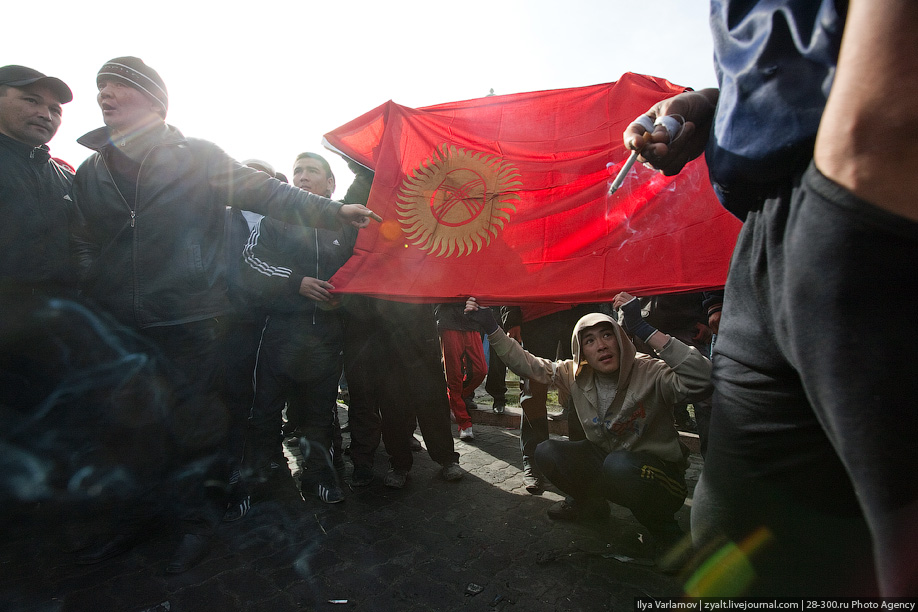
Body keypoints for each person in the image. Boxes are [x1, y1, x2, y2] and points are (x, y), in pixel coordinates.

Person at [623, 0, 917, 596]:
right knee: (741, 546)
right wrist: (714, 106)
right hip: (774, 232)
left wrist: (874, 141)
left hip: (876, 209)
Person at [69, 57, 376, 574]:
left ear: (155, 100)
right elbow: (81, 241)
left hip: (189, 319)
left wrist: (331, 211)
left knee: (192, 423)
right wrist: (94, 288)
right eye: (101, 86)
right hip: (121, 323)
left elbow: (266, 191)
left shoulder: (197, 157)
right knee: (130, 426)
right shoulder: (91, 170)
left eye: (120, 85)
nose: (106, 94)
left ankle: (195, 521)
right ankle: (133, 520)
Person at [465, 294, 712, 571]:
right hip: (611, 465)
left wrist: (645, 329)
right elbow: (527, 364)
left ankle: (667, 534)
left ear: (620, 339)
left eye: (607, 335)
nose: (602, 345)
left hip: (660, 479)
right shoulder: (573, 373)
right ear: (581, 351)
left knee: (620, 465)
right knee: (547, 451)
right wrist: (492, 328)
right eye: (590, 340)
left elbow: (703, 380)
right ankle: (592, 505)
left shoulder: (650, 370)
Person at [240, 152, 354, 505]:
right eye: (297, 171)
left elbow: (364, 273)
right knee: (265, 411)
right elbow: (250, 264)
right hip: (280, 334)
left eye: (312, 171)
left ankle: (318, 477)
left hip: (327, 337)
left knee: (320, 413)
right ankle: (258, 480)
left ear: (331, 183)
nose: (303, 176)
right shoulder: (275, 219)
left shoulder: (347, 225)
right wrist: (296, 283)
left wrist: (344, 300)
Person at [0, 65, 75, 297]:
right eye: (31, 101)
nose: (46, 115)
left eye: (56, 109)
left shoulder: (68, 179)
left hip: (59, 320)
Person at [435, 302, 488, 441]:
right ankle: (464, 423)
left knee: (480, 370)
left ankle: (454, 400)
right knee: (454, 375)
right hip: (449, 320)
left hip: (471, 321)